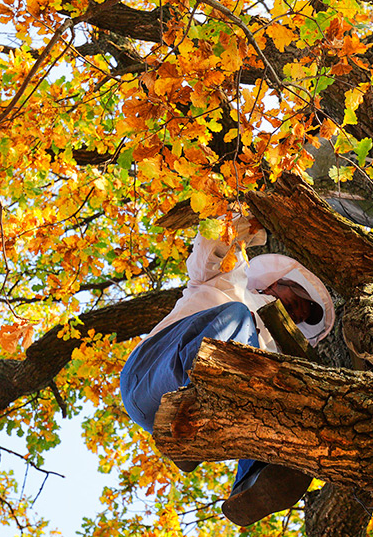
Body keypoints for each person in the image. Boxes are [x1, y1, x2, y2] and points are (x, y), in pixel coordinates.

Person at [119, 214, 335, 527]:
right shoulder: (231, 281)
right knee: (237, 317)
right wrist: (243, 224)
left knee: (270, 393)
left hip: (177, 412)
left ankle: (250, 480)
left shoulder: (272, 352)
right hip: (149, 373)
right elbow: (208, 249)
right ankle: (191, 411)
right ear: (277, 283)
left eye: (301, 317)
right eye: (298, 301)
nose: (298, 313)